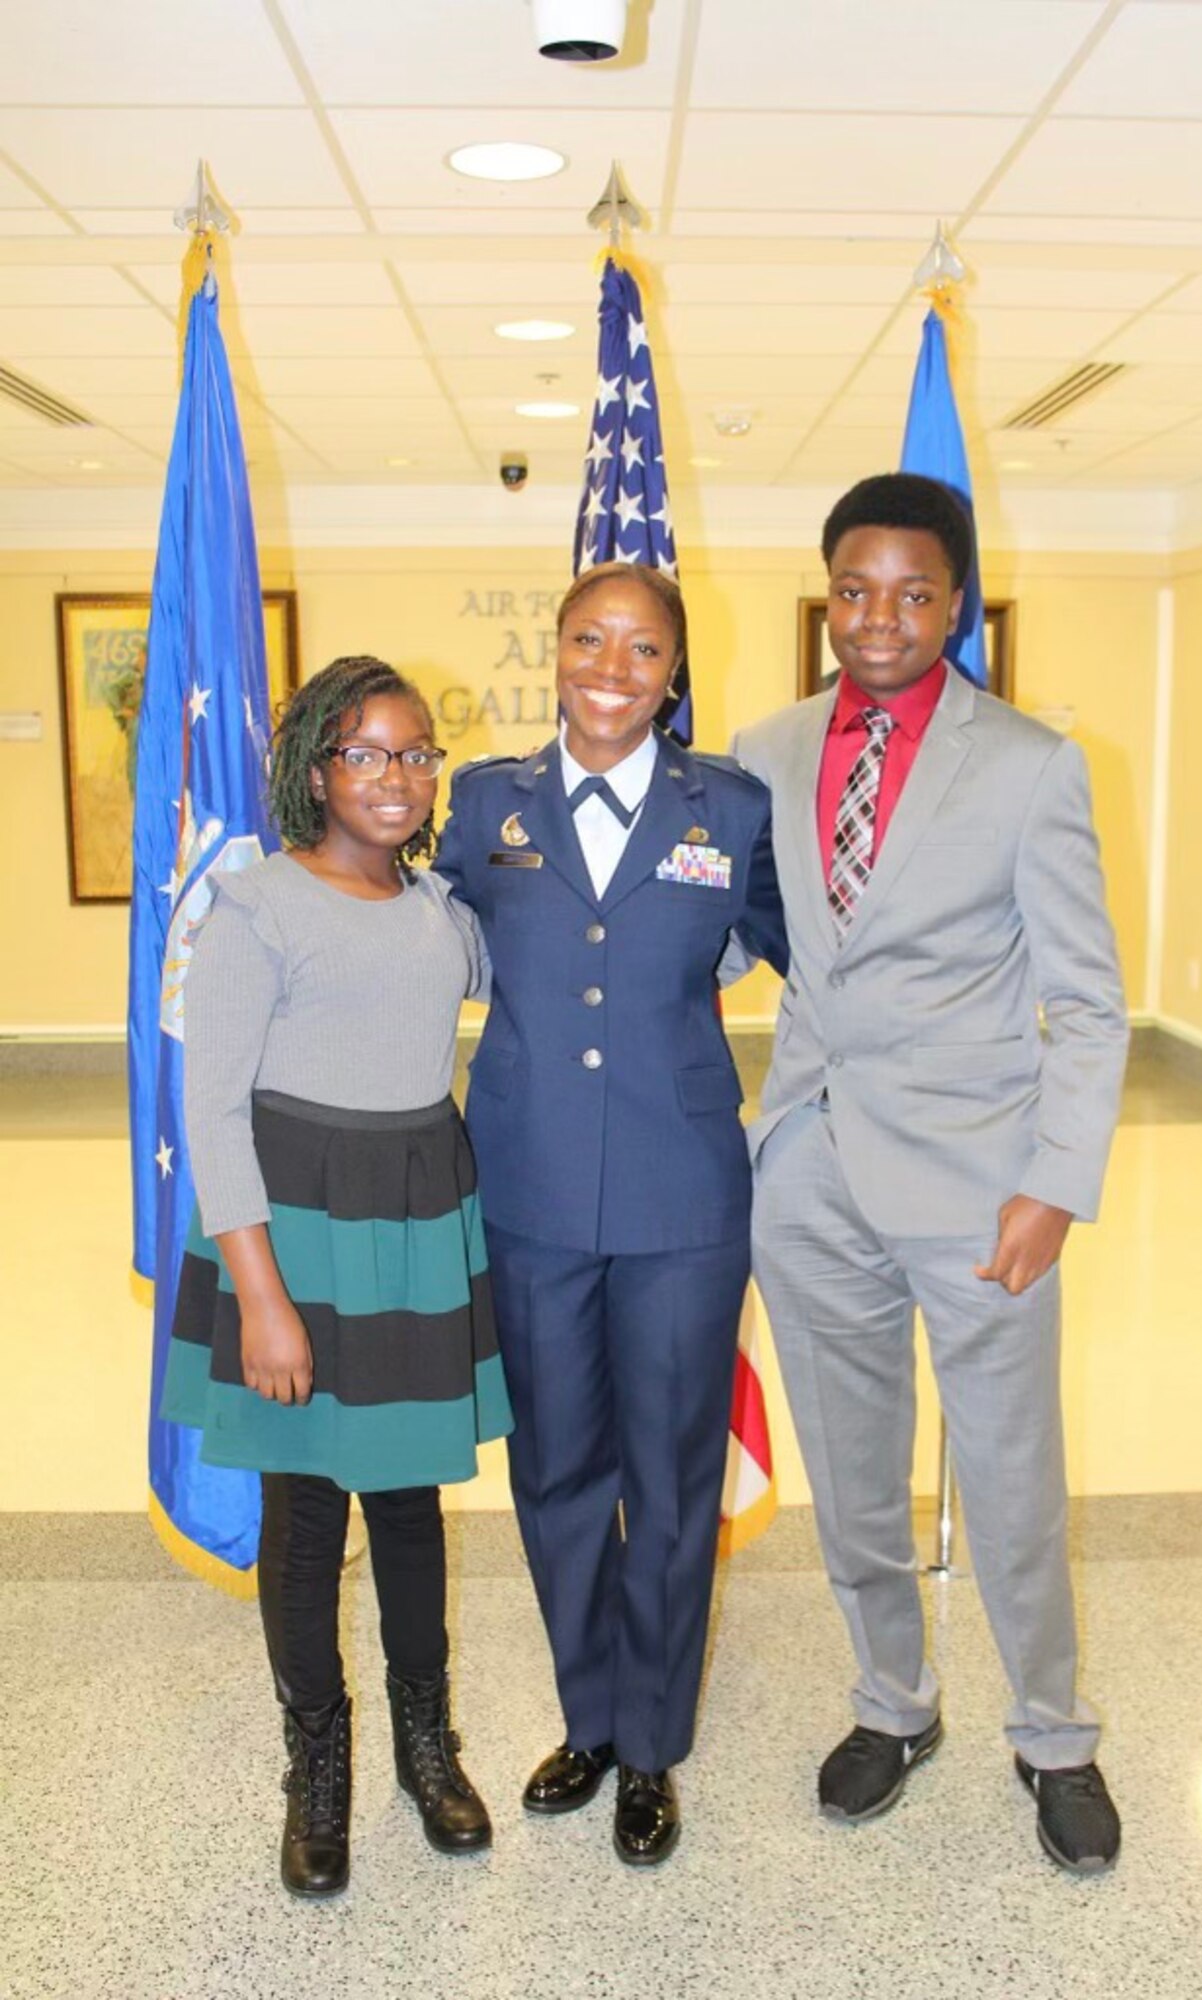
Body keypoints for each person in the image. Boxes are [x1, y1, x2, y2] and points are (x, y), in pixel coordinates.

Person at [734, 474, 1128, 1875]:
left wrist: (1055, 1183)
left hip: (980, 1184)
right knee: (851, 1472)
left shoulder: (1028, 764)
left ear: (956, 602)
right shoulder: (763, 752)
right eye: (854, 591)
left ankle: (1054, 1734)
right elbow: (722, 941)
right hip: (810, 1171)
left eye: (912, 593)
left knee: (1013, 1477)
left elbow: (1087, 1000)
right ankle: (893, 1705)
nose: (880, 619)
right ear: (826, 595)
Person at [437, 561, 787, 1866]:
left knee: (673, 1480)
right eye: (591, 639)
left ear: (673, 671)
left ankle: (652, 1746)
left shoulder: (731, 811)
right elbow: (423, 937)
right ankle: (589, 1719)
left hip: (685, 1192)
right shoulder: (484, 807)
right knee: (557, 1471)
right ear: (559, 647)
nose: (611, 668)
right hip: (526, 1187)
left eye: (644, 650)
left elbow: (790, 951)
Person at [161, 657, 512, 1899]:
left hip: (415, 1213)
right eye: (366, 753)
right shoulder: (259, 905)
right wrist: (260, 1293)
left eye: (417, 754)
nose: (397, 777)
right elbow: (210, 1107)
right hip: (296, 1228)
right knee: (307, 1519)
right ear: (318, 769)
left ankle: (428, 1742)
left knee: (410, 1506)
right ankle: (318, 1764)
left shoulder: (440, 912)